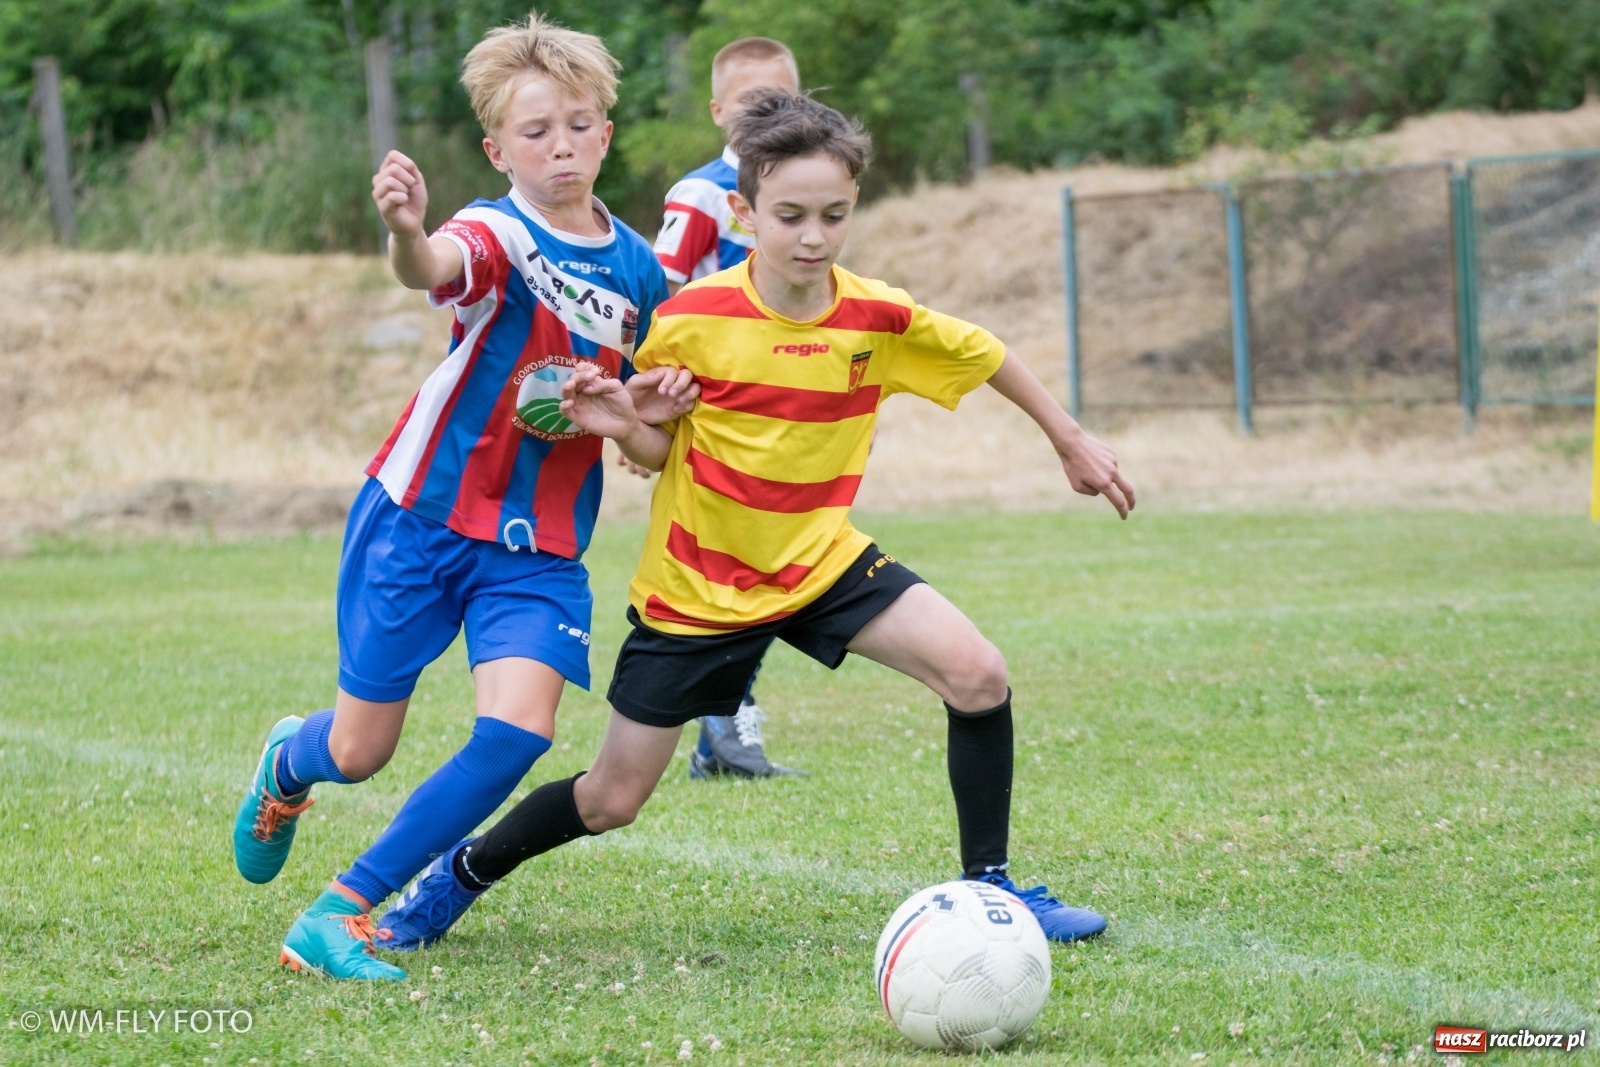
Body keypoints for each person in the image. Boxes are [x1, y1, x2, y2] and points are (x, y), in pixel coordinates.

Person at [376, 90, 1135, 952]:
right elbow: (652, 448)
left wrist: (1069, 439)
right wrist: (628, 421)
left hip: (821, 561)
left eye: (834, 215)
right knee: (610, 799)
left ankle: (994, 889)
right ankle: (461, 873)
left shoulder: (876, 316)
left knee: (979, 675)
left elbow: (986, 352)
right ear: (743, 212)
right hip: (699, 590)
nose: (813, 236)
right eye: (790, 215)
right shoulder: (692, 319)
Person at [228, 12, 693, 981]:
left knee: (517, 731)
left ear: (606, 132)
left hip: (538, 549)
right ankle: (288, 761)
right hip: (422, 518)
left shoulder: (646, 275)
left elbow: (651, 444)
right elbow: (431, 268)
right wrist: (405, 229)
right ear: (497, 148)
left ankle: (339, 909)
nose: (559, 145)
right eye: (535, 131)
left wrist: (638, 417)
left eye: (576, 124)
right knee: (359, 749)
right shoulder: (493, 231)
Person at [651, 36, 806, 779]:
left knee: (775, 563)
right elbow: (662, 289)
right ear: (718, 111)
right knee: (736, 569)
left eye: (782, 99)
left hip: (784, 413)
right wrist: (653, 399)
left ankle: (722, 726)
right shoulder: (702, 193)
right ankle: (724, 722)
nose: (769, 113)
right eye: (752, 102)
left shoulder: (802, 190)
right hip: (716, 413)